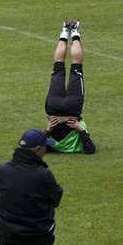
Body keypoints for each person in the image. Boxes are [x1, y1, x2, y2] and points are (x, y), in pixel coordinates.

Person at [44, 20, 96, 154]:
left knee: (77, 66)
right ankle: (65, 31)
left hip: (72, 109)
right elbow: (40, 145)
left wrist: (81, 130)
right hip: (53, 108)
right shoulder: (52, 145)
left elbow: (90, 149)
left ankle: (74, 32)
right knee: (58, 65)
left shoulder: (73, 145)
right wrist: (48, 129)